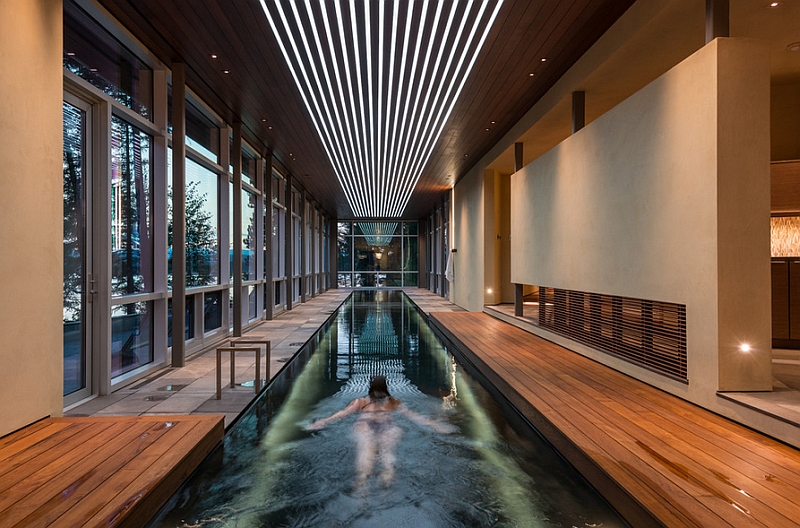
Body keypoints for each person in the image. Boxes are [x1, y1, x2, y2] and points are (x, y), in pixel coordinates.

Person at [308, 375, 456, 492]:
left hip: (365, 425)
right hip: (388, 426)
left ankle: (362, 481)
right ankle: (387, 475)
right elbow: (413, 416)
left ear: (370, 388)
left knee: (365, 451)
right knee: (387, 452)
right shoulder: (394, 402)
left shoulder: (360, 401)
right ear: (386, 388)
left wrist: (322, 421)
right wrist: (434, 425)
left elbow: (342, 414)